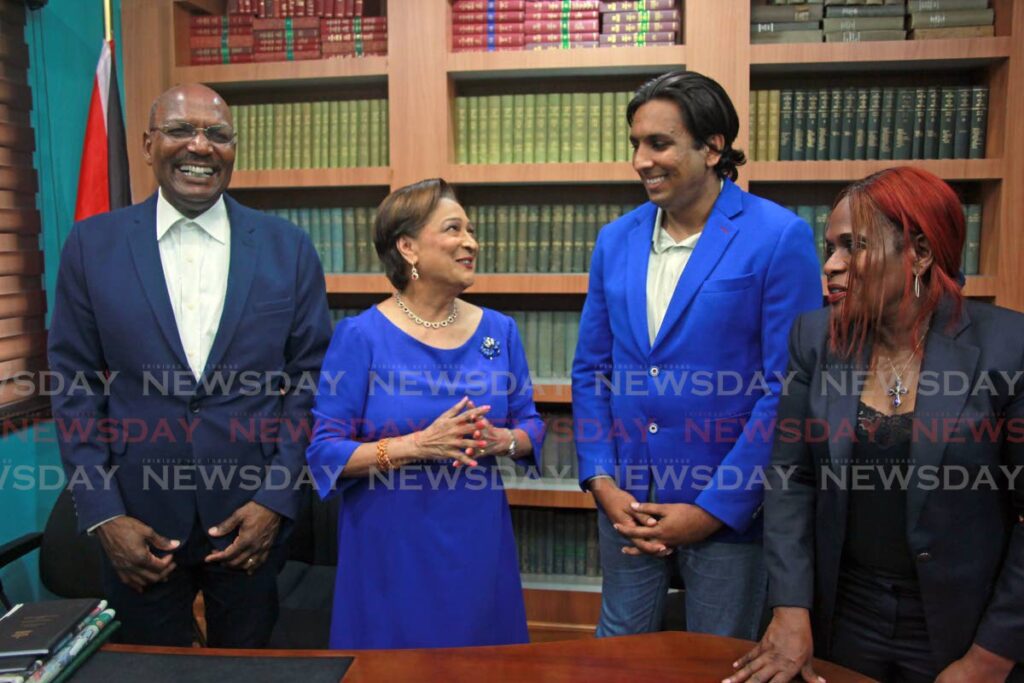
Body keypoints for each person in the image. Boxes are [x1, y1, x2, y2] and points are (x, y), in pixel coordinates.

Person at [48, 84, 332, 647]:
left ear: (234, 148)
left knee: (249, 668)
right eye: (181, 131)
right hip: (138, 520)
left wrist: (276, 499)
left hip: (249, 519)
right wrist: (104, 515)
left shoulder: (288, 247)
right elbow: (73, 384)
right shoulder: (91, 246)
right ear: (149, 145)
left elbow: (311, 380)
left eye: (218, 135)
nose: (200, 147)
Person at [728, 167, 1023, 683]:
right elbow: (790, 479)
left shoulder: (1008, 348)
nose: (831, 266)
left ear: (922, 254)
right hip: (843, 616)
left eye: (852, 247)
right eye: (829, 248)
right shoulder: (815, 338)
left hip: (962, 624)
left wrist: (990, 657)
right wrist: (790, 608)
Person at [571, 70, 822, 640]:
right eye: (635, 143)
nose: (640, 160)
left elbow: (785, 390)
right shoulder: (615, 239)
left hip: (729, 512)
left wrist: (713, 509)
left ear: (712, 148)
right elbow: (591, 371)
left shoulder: (778, 237)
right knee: (618, 657)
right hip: (627, 503)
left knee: (720, 659)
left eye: (658, 143)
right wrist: (601, 480)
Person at [306, 178, 545, 649]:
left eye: (472, 231)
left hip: (477, 539)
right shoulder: (360, 337)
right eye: (454, 229)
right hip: (391, 546)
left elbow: (530, 423)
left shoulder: (501, 330)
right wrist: (417, 445)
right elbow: (325, 451)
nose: (471, 243)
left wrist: (507, 441)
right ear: (408, 247)